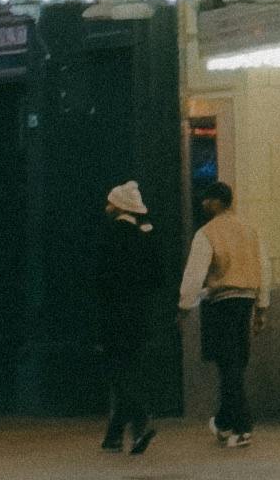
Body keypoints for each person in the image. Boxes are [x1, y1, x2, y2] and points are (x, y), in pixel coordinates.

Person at [178, 182, 267, 450]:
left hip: (222, 302)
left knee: (227, 365)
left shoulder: (207, 233)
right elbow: (264, 267)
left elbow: (194, 273)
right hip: (246, 301)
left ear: (217, 202)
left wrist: (184, 305)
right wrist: (262, 306)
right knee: (236, 363)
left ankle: (242, 427)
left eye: (207, 199)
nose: (203, 204)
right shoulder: (250, 230)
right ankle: (224, 420)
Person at [97, 181, 162, 456]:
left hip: (113, 313)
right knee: (130, 370)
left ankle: (141, 419)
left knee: (115, 371)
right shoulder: (145, 235)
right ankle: (113, 437)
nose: (106, 207)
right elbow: (157, 277)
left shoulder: (110, 235)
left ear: (119, 206)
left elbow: (99, 279)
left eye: (110, 202)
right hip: (138, 313)